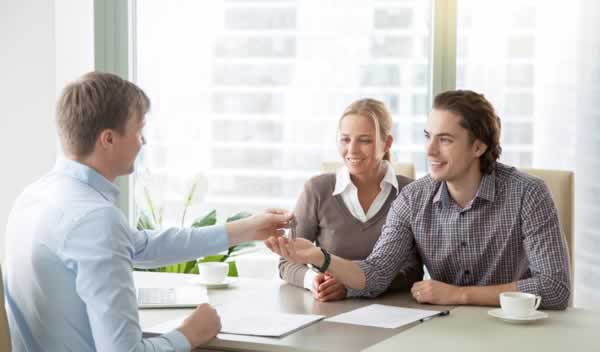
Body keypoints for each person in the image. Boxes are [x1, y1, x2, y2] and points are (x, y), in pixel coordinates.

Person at [3, 72, 291, 352]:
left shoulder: (34, 197)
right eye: (139, 130)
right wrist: (189, 334)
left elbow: (141, 245)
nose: (143, 142)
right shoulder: (93, 219)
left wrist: (246, 229)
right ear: (108, 139)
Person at [266, 90, 571, 310]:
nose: (429, 150)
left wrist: (459, 295)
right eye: (428, 136)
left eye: (445, 140)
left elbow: (554, 288)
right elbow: (374, 275)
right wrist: (319, 257)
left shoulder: (528, 193)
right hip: (444, 331)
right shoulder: (413, 199)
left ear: (478, 146)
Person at [279, 99, 422, 302]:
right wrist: (315, 281)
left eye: (364, 140)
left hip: (391, 311)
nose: (352, 150)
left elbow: (414, 271)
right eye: (345, 139)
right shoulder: (317, 190)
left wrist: (351, 286)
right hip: (326, 311)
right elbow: (287, 262)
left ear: (387, 143)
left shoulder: (410, 193)